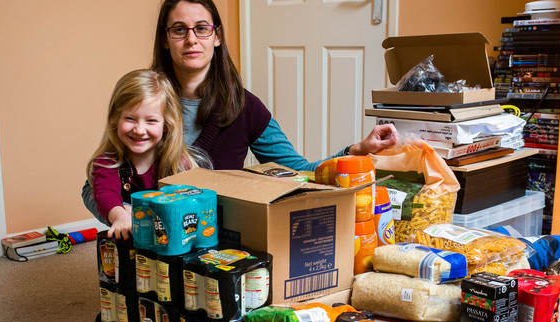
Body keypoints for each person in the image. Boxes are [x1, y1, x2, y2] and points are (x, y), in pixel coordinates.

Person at [82, 0, 397, 221]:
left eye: (201, 28)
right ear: (165, 40)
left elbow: (298, 172)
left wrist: (356, 149)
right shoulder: (146, 103)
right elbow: (94, 184)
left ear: (216, 36)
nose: (191, 39)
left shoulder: (245, 107)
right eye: (178, 30)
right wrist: (134, 220)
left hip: (219, 240)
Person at [86, 68, 209, 239]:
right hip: (131, 238)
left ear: (167, 124)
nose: (139, 130)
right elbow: (104, 193)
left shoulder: (179, 162)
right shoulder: (107, 162)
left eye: (151, 121)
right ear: (115, 118)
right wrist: (120, 215)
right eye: (130, 118)